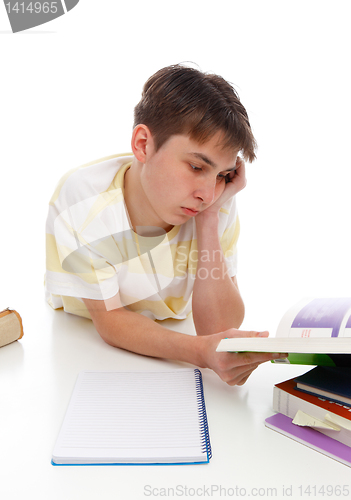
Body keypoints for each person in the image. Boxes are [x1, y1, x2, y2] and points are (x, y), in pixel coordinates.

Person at [45, 64, 286, 385]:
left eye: (221, 175)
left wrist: (209, 218)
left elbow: (219, 329)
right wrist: (200, 351)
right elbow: (110, 319)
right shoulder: (85, 199)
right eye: (196, 166)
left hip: (171, 333)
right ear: (143, 144)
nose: (207, 193)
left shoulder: (214, 200)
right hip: (80, 342)